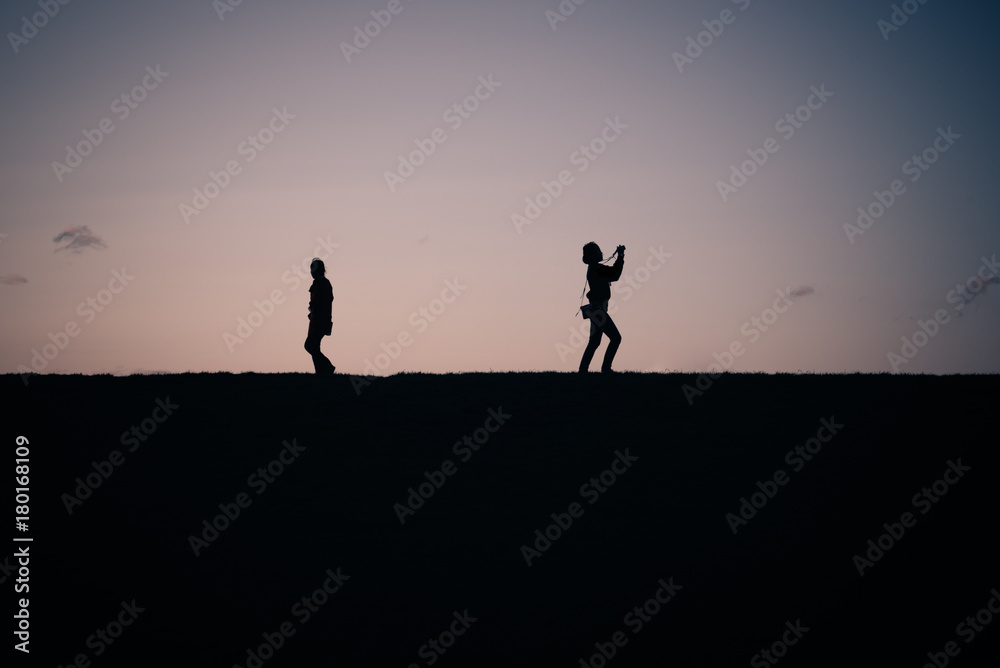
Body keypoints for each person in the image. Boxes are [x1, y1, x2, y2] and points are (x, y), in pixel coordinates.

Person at [579, 242, 624, 373]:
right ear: (594, 255)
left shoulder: (593, 268)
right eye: (598, 251)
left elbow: (612, 273)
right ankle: (605, 368)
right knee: (616, 338)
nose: (601, 253)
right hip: (598, 311)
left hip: (595, 310)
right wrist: (620, 256)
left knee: (594, 342)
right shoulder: (597, 268)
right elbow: (615, 275)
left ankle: (583, 370)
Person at [304, 258, 335, 375]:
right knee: (314, 347)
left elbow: (320, 302)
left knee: (310, 345)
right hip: (318, 320)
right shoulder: (321, 283)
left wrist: (313, 309)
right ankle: (321, 372)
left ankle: (327, 366)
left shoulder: (322, 284)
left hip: (320, 321)